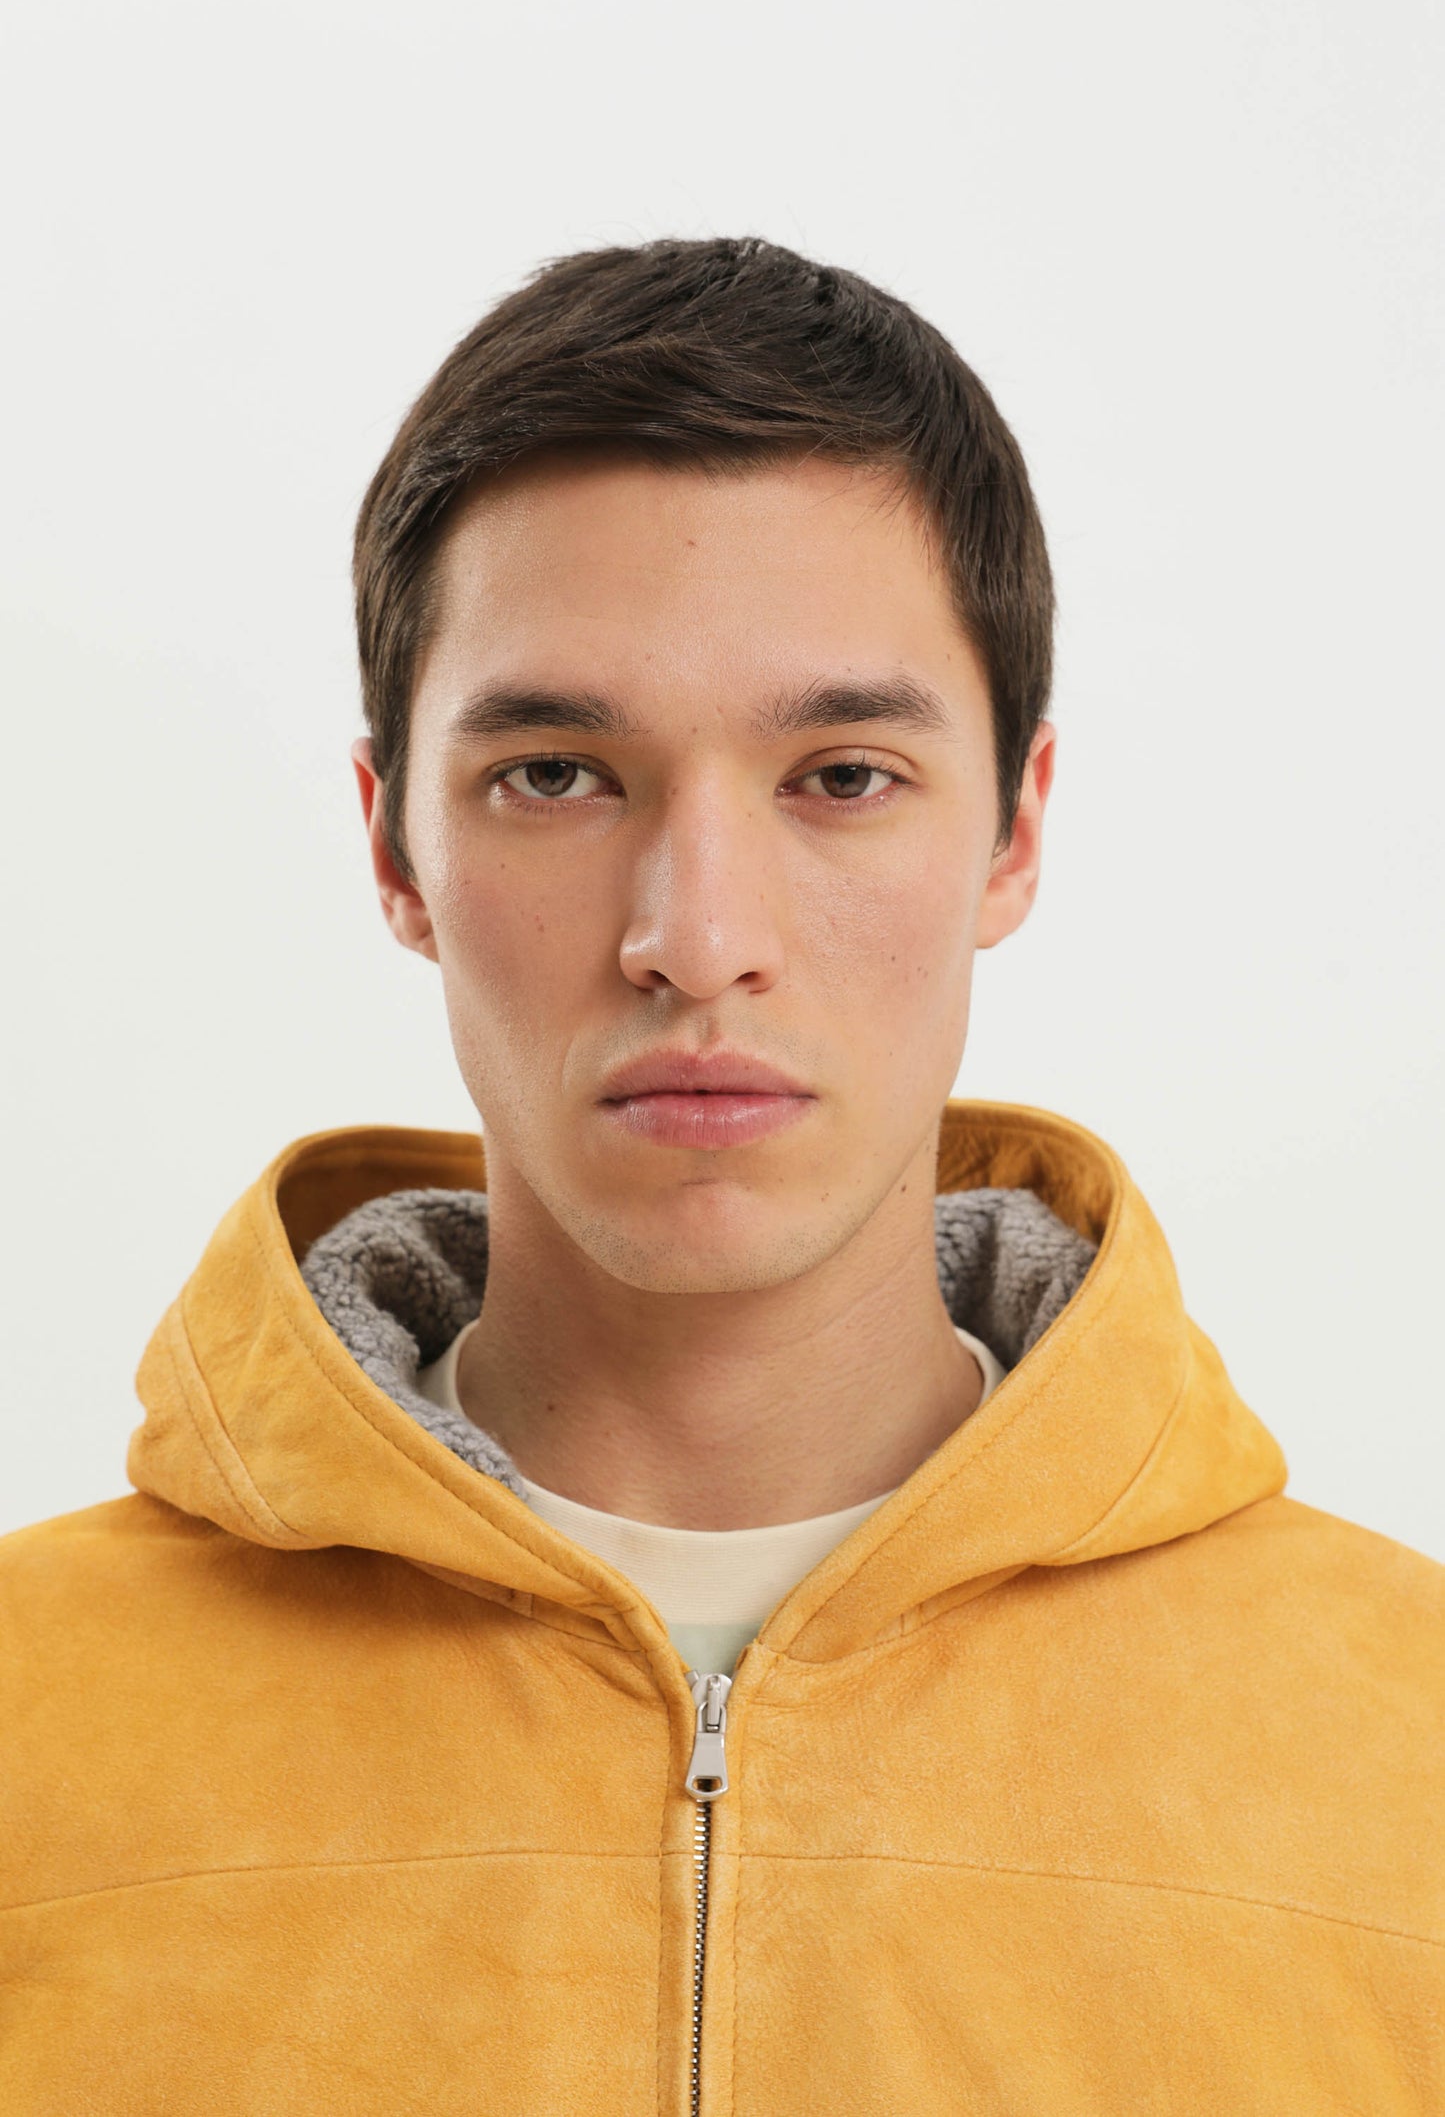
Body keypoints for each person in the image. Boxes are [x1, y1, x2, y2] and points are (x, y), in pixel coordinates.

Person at [2, 237, 1440, 2114]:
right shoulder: (31, 1724)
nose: (695, 938)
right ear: (395, 851)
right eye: (555, 773)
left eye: (840, 776)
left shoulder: (1405, 1752)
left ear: (1013, 831)